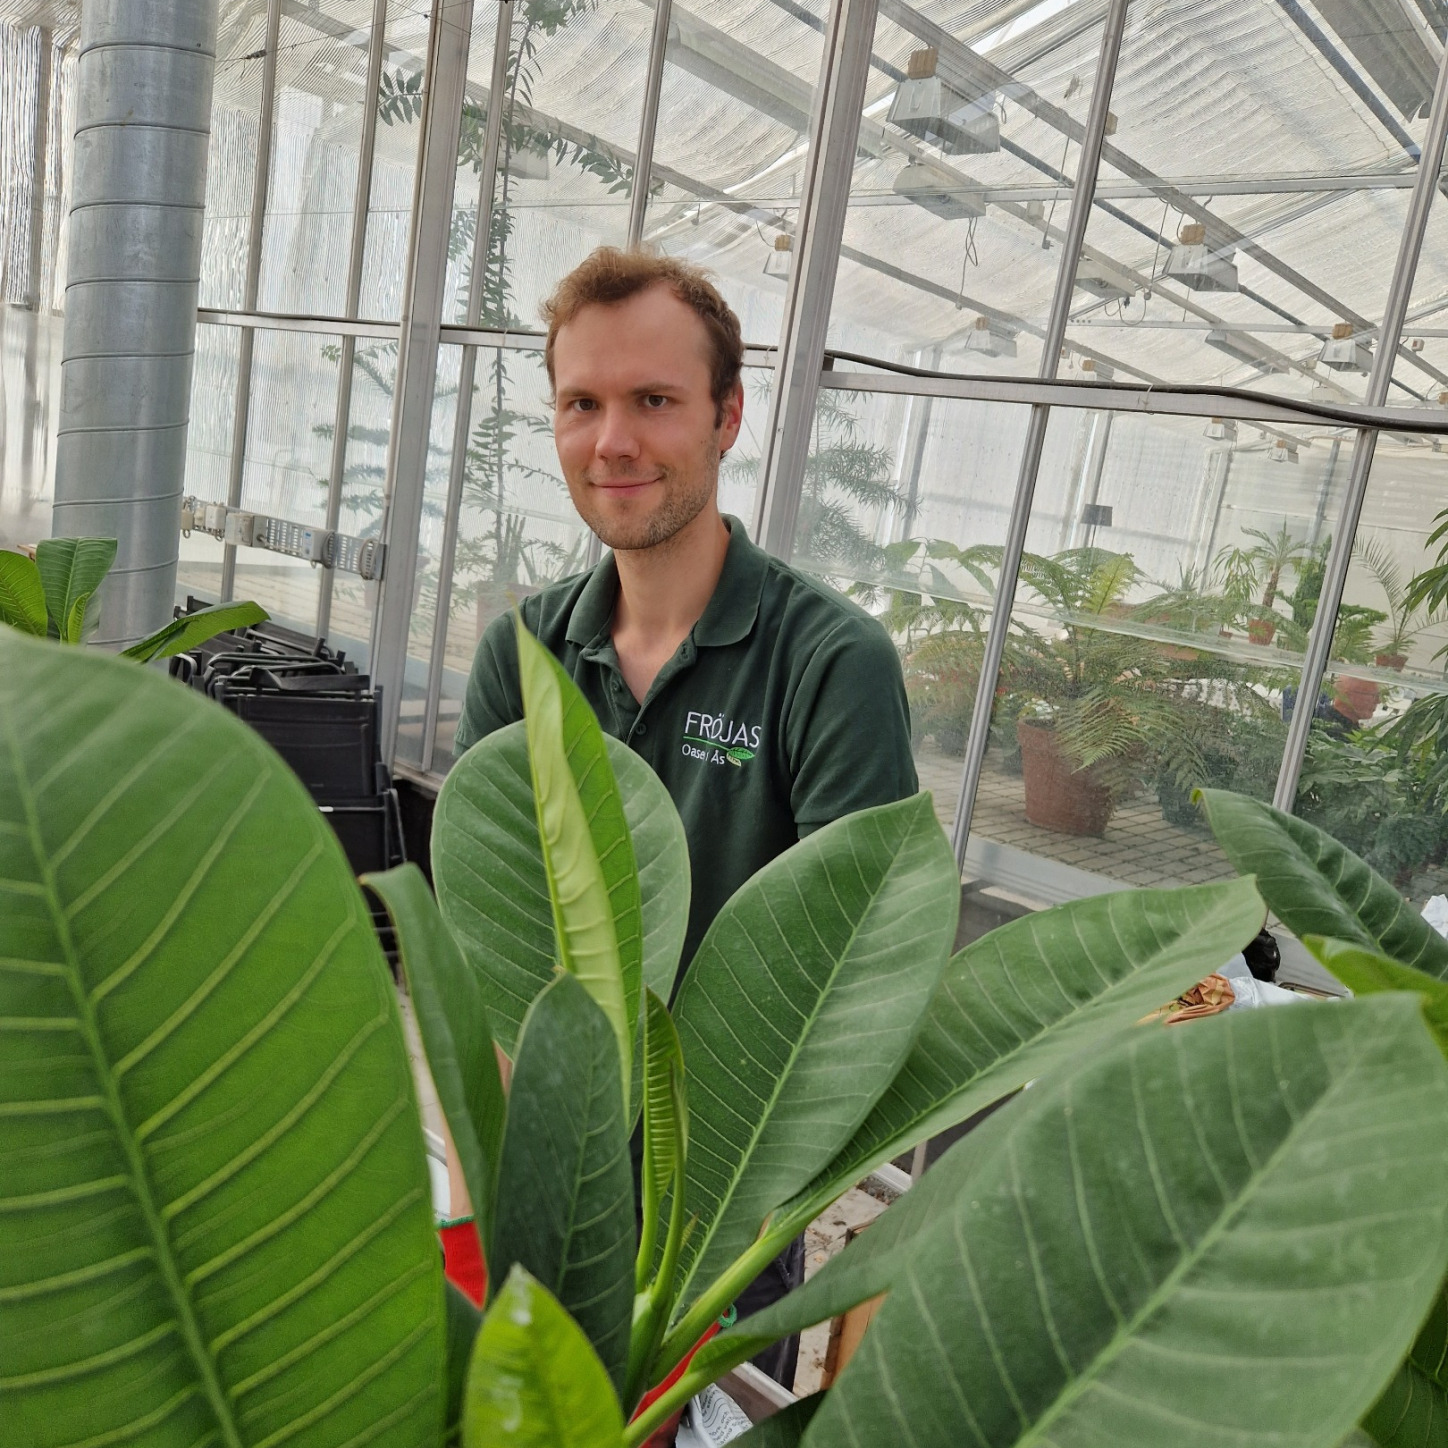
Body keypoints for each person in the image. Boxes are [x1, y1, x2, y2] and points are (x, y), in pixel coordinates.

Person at [454, 246, 918, 1387]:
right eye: (581, 403)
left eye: (652, 400)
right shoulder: (524, 656)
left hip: (715, 1219)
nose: (611, 440)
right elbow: (493, 959)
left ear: (727, 416)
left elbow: (856, 969)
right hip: (547, 1193)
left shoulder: (825, 662)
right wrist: (490, 1192)